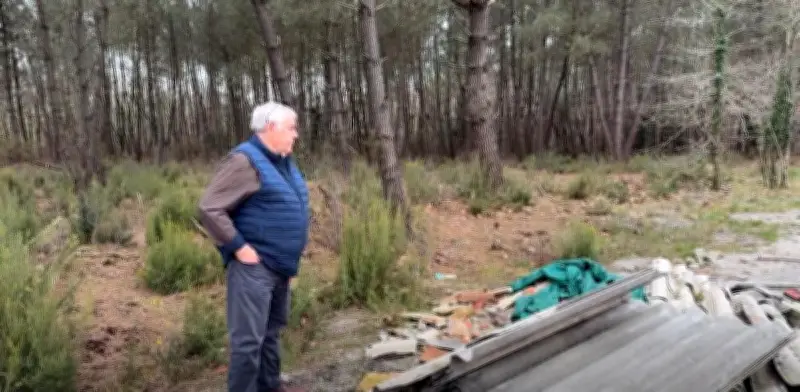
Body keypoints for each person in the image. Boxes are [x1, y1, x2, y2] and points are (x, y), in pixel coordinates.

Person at [198, 102, 309, 392]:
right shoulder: (244, 161)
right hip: (253, 269)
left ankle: (270, 386)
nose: (295, 134)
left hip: (279, 267)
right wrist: (239, 247)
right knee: (248, 342)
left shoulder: (284, 162)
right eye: (291, 128)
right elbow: (210, 208)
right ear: (270, 128)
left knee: (271, 335)